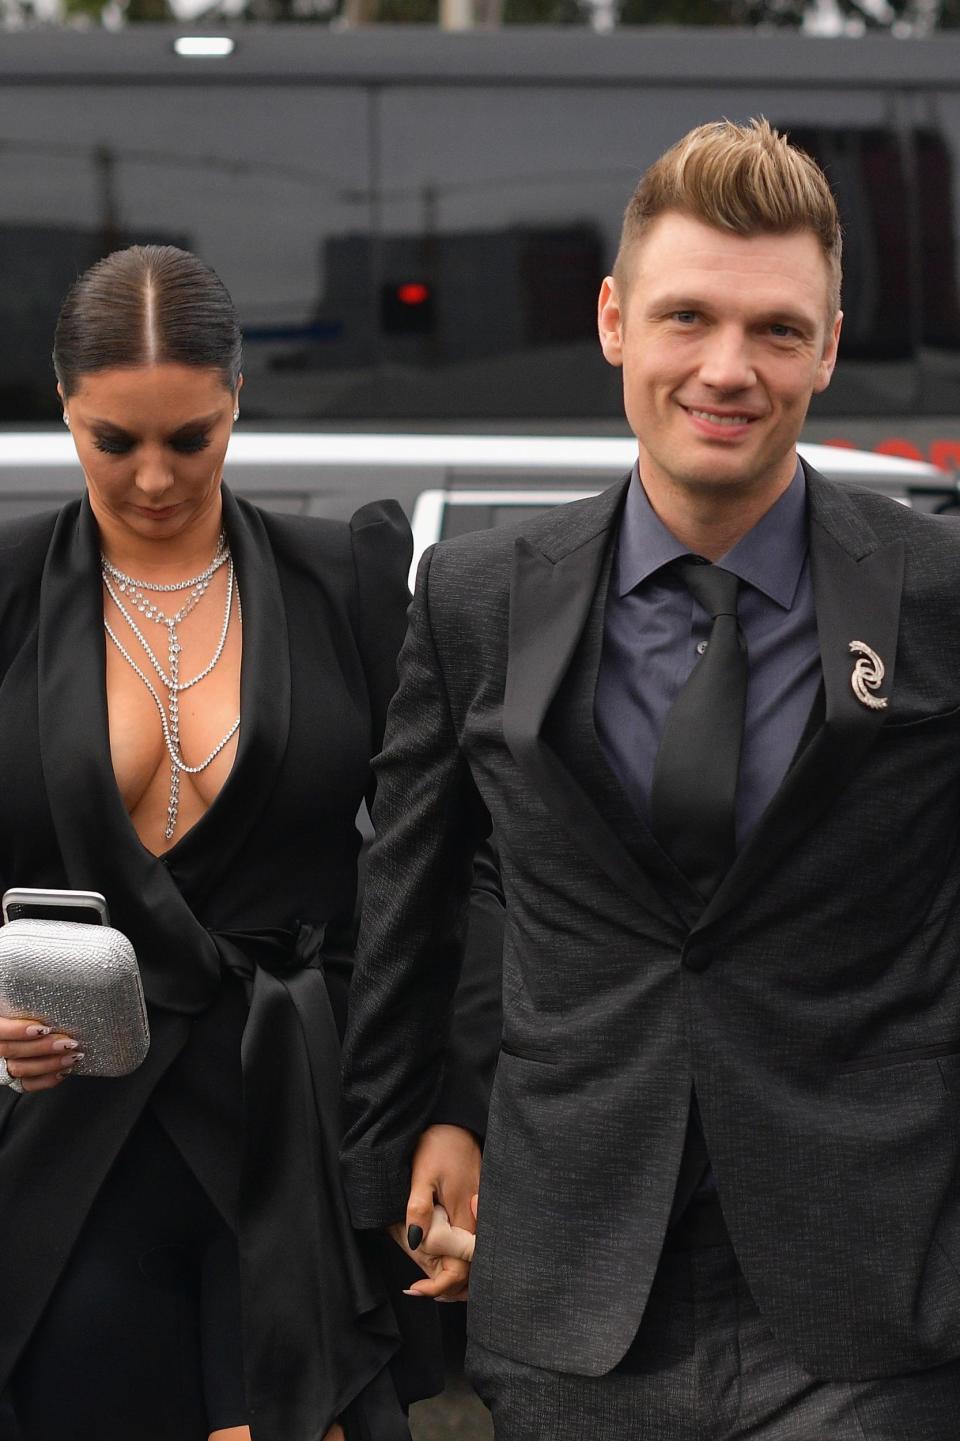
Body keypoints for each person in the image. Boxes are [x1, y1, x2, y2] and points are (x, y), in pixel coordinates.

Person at [341, 117, 960, 1438]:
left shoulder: (939, 596)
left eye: (778, 331)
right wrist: (377, 1205)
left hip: (876, 1301)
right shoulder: (475, 596)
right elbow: (413, 906)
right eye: (688, 318)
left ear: (830, 346)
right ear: (616, 320)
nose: (728, 369)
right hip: (569, 1292)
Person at [0, 243, 500, 1441]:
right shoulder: (8, 587)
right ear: (64, 407)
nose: (159, 476)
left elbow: (465, 858)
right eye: (114, 440)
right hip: (74, 1135)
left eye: (195, 436)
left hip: (301, 1118)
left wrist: (455, 1103)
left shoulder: (351, 578)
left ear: (238, 403)